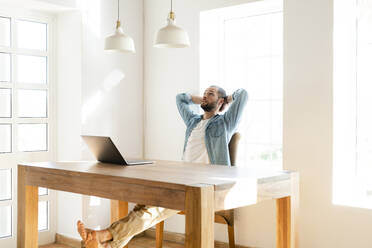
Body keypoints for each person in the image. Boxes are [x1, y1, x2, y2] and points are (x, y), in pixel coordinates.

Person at [77, 86, 248, 248]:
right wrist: (203, 99)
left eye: (210, 93)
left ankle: (103, 236)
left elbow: (243, 95)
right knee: (144, 202)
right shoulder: (193, 122)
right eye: (204, 92)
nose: (205, 95)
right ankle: (107, 243)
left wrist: (227, 99)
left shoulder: (225, 123)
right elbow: (180, 99)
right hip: (183, 179)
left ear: (220, 102)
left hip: (204, 186)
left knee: (155, 208)